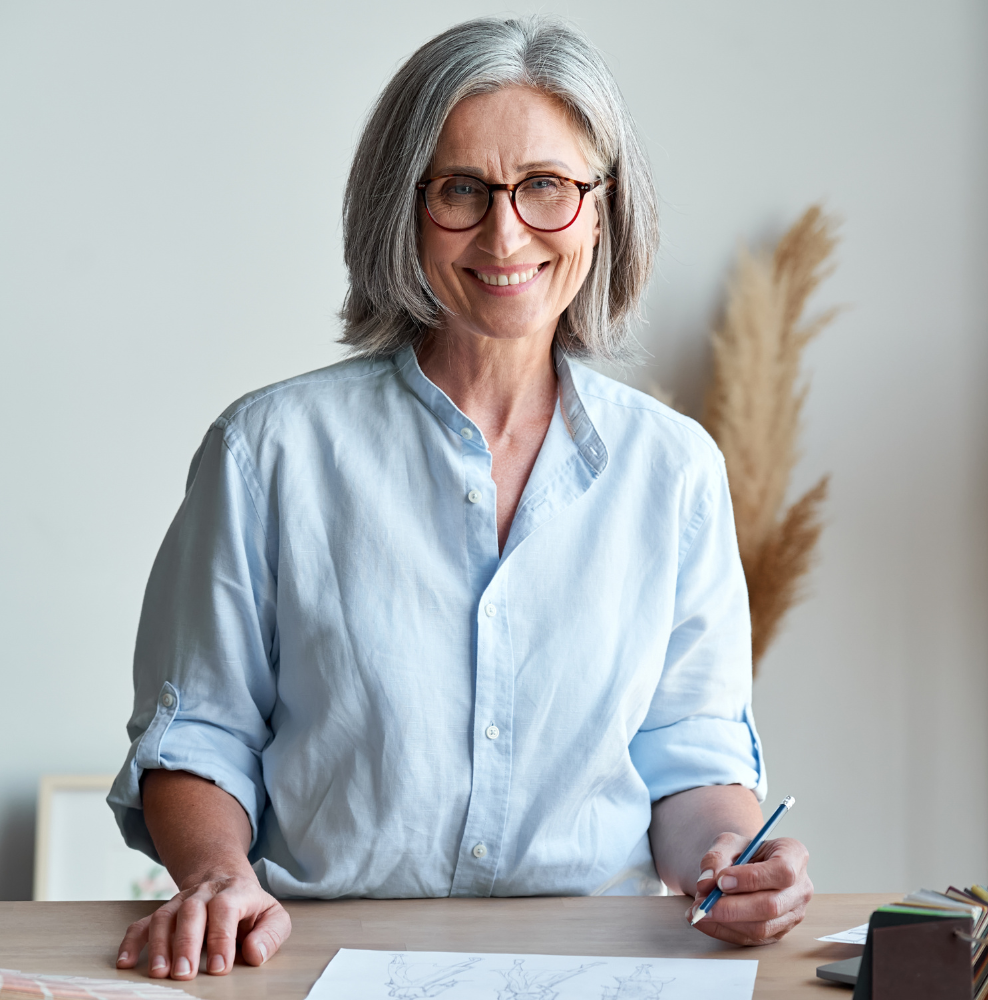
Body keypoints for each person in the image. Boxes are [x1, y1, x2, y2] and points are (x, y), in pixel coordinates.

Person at [108, 15, 813, 982]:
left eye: (546, 188)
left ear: (601, 212)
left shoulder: (675, 469)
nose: (504, 230)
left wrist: (730, 862)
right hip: (313, 961)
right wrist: (218, 875)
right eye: (460, 190)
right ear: (404, 209)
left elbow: (689, 758)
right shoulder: (267, 451)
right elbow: (201, 734)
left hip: (599, 970)